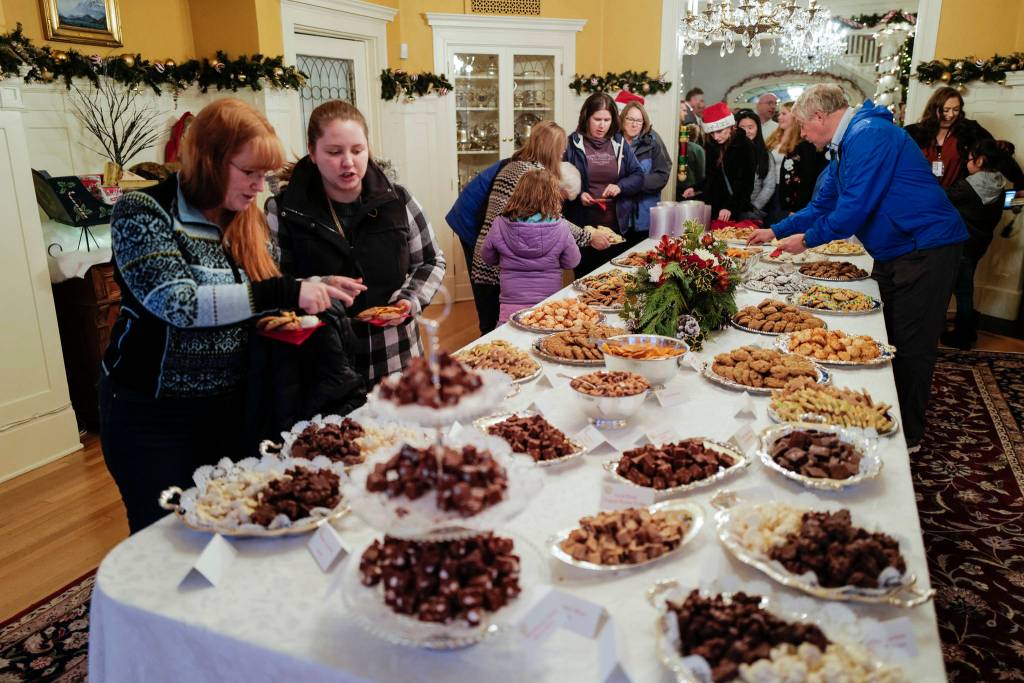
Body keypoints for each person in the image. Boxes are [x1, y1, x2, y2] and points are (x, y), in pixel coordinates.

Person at [100, 98, 358, 532]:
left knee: (236, 523)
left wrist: (313, 285)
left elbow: (256, 294)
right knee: (166, 537)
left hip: (236, 406)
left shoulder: (246, 220)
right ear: (209, 160)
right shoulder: (143, 212)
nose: (259, 186)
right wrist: (288, 290)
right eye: (249, 172)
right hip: (153, 415)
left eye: (265, 174)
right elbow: (178, 304)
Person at [748, 84, 968, 451]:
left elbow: (852, 211)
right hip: (898, 249)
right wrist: (775, 230)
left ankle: (908, 437)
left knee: (912, 344)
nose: (802, 135)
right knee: (885, 336)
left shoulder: (870, 135)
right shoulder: (844, 145)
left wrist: (804, 240)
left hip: (926, 248)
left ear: (820, 116)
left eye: (803, 126)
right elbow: (822, 205)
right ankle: (880, 412)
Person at [269, 100, 445, 383]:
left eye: (358, 150)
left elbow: (430, 260)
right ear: (312, 153)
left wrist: (408, 301)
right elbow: (272, 285)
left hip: (395, 356)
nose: (348, 162)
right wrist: (318, 285)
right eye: (334, 152)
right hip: (323, 362)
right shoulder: (283, 211)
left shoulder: (398, 200)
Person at [470, 121, 609, 333]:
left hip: (496, 258)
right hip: (496, 268)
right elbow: (555, 222)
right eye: (561, 146)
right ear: (550, 148)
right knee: (513, 328)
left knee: (501, 326)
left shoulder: (516, 165)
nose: (563, 151)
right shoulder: (532, 173)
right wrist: (588, 236)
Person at [480, 169, 582, 323]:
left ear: (518, 193)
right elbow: (572, 261)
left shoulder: (500, 224)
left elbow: (487, 256)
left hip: (510, 302)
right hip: (548, 305)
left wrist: (505, 259)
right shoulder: (560, 226)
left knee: (509, 341)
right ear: (553, 196)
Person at [563, 92, 644, 277]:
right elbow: (560, 179)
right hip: (584, 230)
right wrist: (579, 194)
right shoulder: (572, 143)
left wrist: (620, 186)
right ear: (586, 118)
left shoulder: (619, 142)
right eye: (597, 119)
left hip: (615, 229)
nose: (602, 125)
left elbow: (638, 175)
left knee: (612, 282)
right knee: (585, 280)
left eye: (607, 120)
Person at [942, 139, 1010, 349]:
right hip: (979, 244)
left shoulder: (967, 187)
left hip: (962, 244)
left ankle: (964, 334)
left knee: (960, 289)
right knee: (964, 287)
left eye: (969, 157)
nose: (966, 162)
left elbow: (940, 199)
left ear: (980, 160)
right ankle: (965, 328)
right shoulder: (999, 183)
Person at [904, 86, 993, 189]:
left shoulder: (969, 130)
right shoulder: (913, 132)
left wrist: (1017, 182)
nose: (951, 115)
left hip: (952, 198)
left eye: (956, 110)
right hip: (918, 194)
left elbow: (995, 151)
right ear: (934, 109)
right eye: (945, 110)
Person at [682, 102, 755, 222]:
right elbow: (712, 177)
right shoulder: (712, 145)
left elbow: (746, 183)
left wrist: (730, 207)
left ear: (730, 126)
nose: (716, 137)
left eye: (719, 131)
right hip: (714, 208)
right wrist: (695, 189)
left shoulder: (745, 145)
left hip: (735, 210)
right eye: (712, 133)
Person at [765, 101, 827, 222]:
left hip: (793, 197)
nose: (779, 117)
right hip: (774, 189)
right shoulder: (775, 137)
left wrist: (798, 207)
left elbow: (807, 178)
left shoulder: (804, 144)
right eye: (779, 113)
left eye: (784, 113)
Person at [618, 94, 671, 231]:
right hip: (617, 215)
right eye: (630, 119)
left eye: (639, 121)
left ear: (644, 123)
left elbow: (662, 175)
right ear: (622, 119)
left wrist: (635, 183)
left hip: (644, 215)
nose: (634, 124)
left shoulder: (653, 141)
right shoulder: (612, 141)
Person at [735, 109, 777, 221]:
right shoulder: (730, 152)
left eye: (750, 127)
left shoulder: (765, 155)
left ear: (757, 128)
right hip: (732, 210)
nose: (746, 131)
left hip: (754, 212)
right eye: (742, 128)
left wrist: (754, 207)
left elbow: (769, 185)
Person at [675, 123, 706, 201]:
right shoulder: (698, 149)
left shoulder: (677, 146)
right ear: (696, 135)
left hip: (676, 186)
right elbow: (701, 172)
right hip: (692, 187)